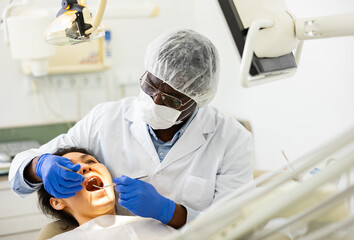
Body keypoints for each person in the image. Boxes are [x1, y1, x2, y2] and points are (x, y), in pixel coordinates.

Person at [9, 29, 253, 229]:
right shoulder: (105, 119)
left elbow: (232, 223)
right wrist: (39, 165)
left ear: (198, 98)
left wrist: (168, 212)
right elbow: (21, 169)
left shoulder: (232, 139)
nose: (156, 100)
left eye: (172, 99)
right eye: (150, 85)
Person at [37, 147, 175, 240]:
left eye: (90, 161)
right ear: (57, 202)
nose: (85, 167)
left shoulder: (160, 228)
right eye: (70, 169)